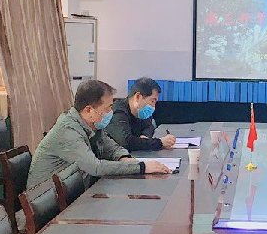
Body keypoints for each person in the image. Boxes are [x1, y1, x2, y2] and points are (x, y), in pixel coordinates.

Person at [27, 80, 170, 188]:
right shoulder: (68, 131)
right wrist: (141, 167)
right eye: (107, 108)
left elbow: (111, 148)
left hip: (70, 194)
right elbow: (96, 167)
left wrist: (125, 158)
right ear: (89, 110)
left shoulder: (93, 125)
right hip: (47, 206)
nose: (110, 112)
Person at [106, 77, 176, 151]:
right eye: (152, 101)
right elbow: (126, 141)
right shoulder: (118, 112)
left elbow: (149, 127)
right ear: (138, 96)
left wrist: (144, 136)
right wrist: (160, 143)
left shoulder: (141, 112)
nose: (153, 106)